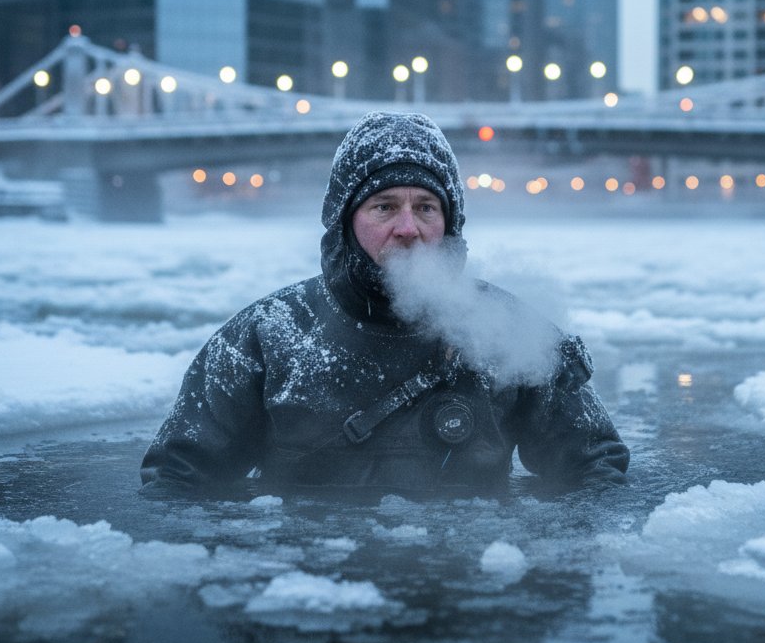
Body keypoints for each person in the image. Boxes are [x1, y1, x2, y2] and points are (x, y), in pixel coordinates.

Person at [140, 111, 629, 496]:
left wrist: (539, 570)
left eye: (426, 207)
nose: (408, 228)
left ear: (449, 222)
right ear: (345, 220)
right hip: (307, 601)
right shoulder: (266, 334)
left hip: (470, 601)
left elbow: (596, 468)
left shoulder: (509, 330)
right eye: (385, 207)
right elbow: (177, 478)